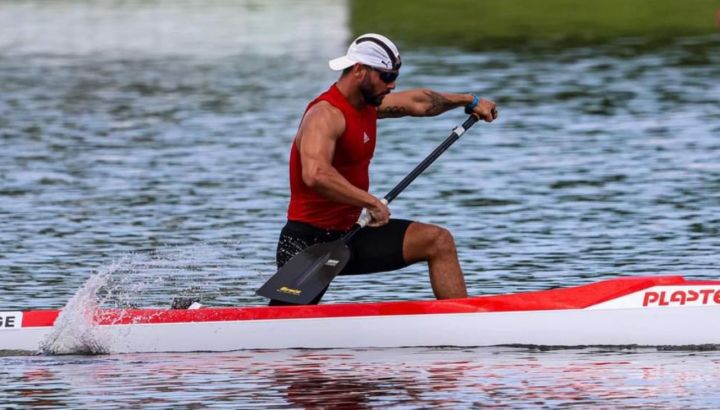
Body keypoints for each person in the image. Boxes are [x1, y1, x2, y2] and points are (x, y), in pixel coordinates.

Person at [272, 33, 497, 305]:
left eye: (394, 76)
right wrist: (370, 202)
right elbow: (315, 174)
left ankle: (465, 324)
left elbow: (420, 102)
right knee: (288, 324)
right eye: (386, 77)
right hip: (308, 244)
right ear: (359, 70)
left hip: (351, 233)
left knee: (438, 241)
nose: (392, 85)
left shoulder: (367, 105)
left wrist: (469, 101)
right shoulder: (325, 115)